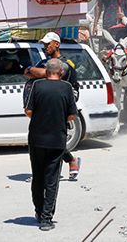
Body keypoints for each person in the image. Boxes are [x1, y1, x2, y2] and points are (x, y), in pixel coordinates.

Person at [24, 59, 78, 231]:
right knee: (52, 180)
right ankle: (47, 219)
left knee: (37, 177)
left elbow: (28, 111)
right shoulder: (67, 88)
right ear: (61, 73)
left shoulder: (37, 86)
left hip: (36, 139)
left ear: (46, 72)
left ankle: (39, 212)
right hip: (57, 140)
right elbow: (72, 116)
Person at [23, 33, 82, 179]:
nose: (45, 46)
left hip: (61, 102)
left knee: (54, 137)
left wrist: (34, 71)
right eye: (44, 43)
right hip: (45, 101)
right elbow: (26, 72)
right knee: (46, 136)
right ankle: (69, 161)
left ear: (56, 44)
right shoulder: (44, 62)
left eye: (48, 43)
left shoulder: (65, 63)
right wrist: (33, 71)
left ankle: (70, 161)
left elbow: (47, 74)